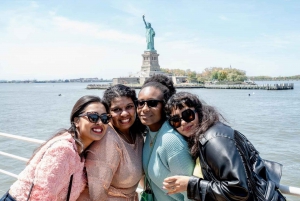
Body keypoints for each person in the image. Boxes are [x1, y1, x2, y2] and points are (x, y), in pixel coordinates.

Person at [0, 95, 110, 201]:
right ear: (76, 121)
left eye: (105, 118)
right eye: (93, 117)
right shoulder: (63, 150)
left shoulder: (81, 150)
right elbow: (41, 195)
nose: (100, 122)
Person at [162, 91, 252, 200]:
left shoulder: (214, 140)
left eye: (187, 115)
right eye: (176, 120)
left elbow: (239, 190)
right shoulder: (202, 138)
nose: (183, 123)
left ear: (199, 112)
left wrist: (190, 185)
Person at [78, 84, 147, 201]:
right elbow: (97, 194)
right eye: (117, 109)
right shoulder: (108, 140)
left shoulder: (137, 135)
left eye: (129, 107)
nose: (124, 113)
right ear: (107, 113)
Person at [137, 75, 194, 201]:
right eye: (140, 103)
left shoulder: (170, 140)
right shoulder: (150, 133)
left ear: (166, 106)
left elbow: (191, 195)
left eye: (152, 103)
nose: (144, 109)